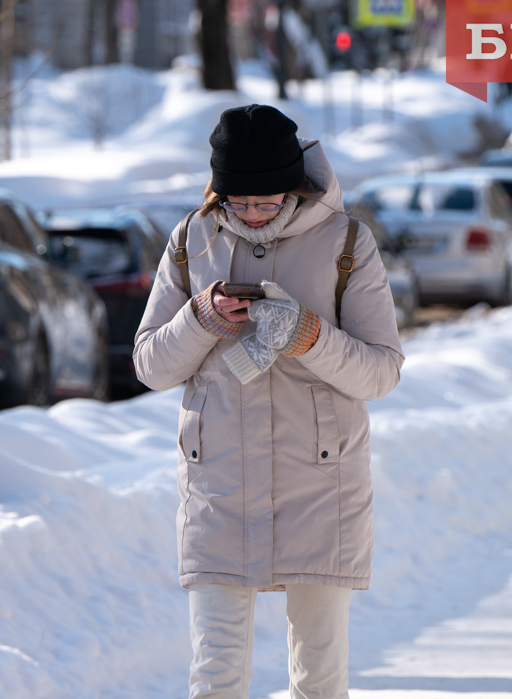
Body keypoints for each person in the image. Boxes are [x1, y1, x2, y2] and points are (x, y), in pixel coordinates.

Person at [133, 104, 404, 699]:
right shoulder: (190, 240)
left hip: (320, 483)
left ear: (294, 186)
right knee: (214, 675)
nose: (252, 214)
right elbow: (150, 365)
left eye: (266, 201)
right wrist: (201, 318)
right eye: (238, 203)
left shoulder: (346, 243)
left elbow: (382, 371)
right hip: (218, 486)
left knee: (318, 679)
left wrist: (310, 336)